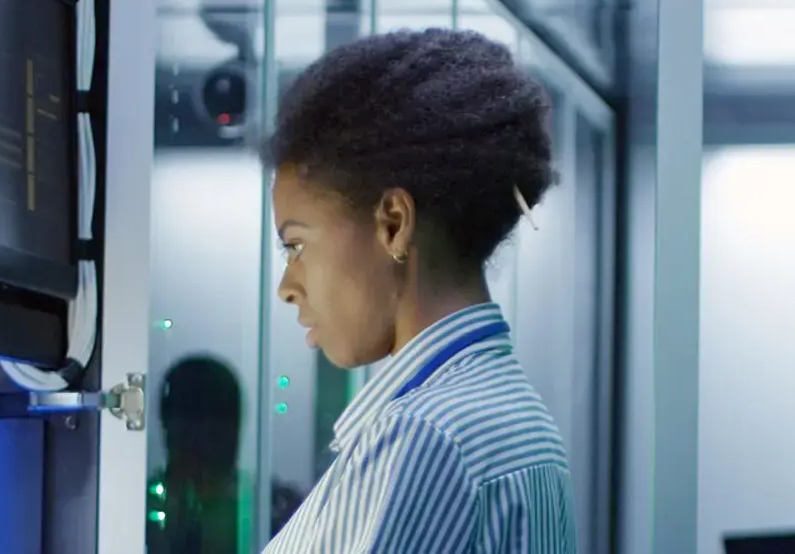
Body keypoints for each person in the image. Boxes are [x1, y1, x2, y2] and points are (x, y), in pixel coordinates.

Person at [261, 28, 576, 553]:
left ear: (392, 223)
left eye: (296, 245)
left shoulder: (425, 436)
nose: (286, 287)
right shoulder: (513, 414)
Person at [147, 355, 303, 554]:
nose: (203, 438)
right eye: (191, 422)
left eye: (218, 421)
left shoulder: (279, 510)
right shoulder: (141, 512)